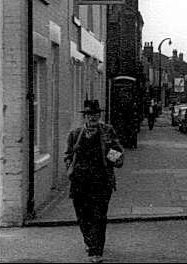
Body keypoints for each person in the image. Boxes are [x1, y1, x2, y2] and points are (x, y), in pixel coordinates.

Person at [64, 100, 124, 263]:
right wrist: (70, 167)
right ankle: (90, 241)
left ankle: (96, 251)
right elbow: (68, 155)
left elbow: (118, 151)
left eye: (96, 114)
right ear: (85, 117)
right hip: (80, 182)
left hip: (102, 181)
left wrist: (112, 158)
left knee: (99, 216)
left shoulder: (107, 131)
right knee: (83, 216)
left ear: (100, 115)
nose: (93, 117)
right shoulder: (75, 134)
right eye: (90, 114)